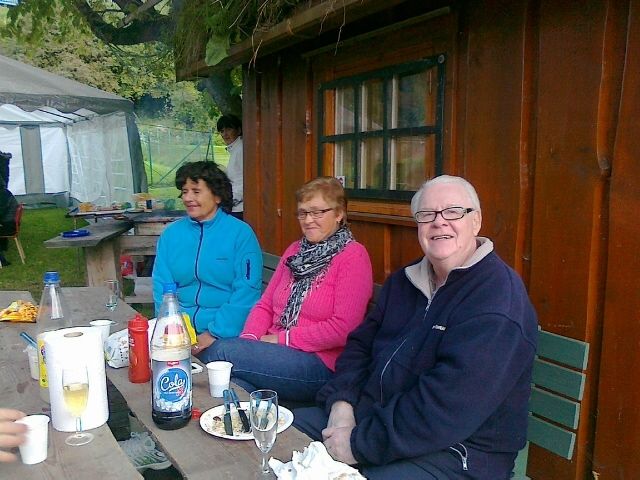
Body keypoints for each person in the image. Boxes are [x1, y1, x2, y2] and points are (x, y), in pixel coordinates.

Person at [293, 175, 538, 479]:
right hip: (373, 421)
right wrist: (342, 402)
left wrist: (358, 444)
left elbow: (447, 409)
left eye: (453, 212)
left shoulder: (496, 301)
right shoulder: (405, 281)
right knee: (279, 436)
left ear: (476, 222)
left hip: (456, 452)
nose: (439, 222)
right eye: (427, 214)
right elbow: (360, 346)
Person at [199, 177, 373, 402]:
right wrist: (249, 340)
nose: (308, 220)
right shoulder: (295, 251)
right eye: (303, 213)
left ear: (339, 214)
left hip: (319, 364)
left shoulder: (353, 256)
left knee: (220, 352)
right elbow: (265, 305)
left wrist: (282, 339)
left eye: (317, 212)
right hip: (275, 354)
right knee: (231, 387)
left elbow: (343, 328)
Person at [152, 161, 262, 356]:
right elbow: (161, 286)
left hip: (224, 335)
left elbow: (246, 293)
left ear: (217, 195)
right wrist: (173, 329)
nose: (188, 198)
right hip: (178, 332)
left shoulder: (240, 234)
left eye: (196, 191)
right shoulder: (171, 235)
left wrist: (213, 333)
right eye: (184, 192)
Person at [217, 114, 243, 220]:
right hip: (234, 206)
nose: (225, 134)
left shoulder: (241, 149)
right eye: (222, 131)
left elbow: (247, 181)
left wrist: (231, 201)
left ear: (239, 130)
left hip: (239, 208)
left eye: (228, 129)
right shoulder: (235, 149)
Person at [0, 180, 18, 267]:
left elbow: (1, 212)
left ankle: (2, 260)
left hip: (8, 226)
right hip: (7, 223)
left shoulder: (2, 194)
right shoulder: (4, 192)